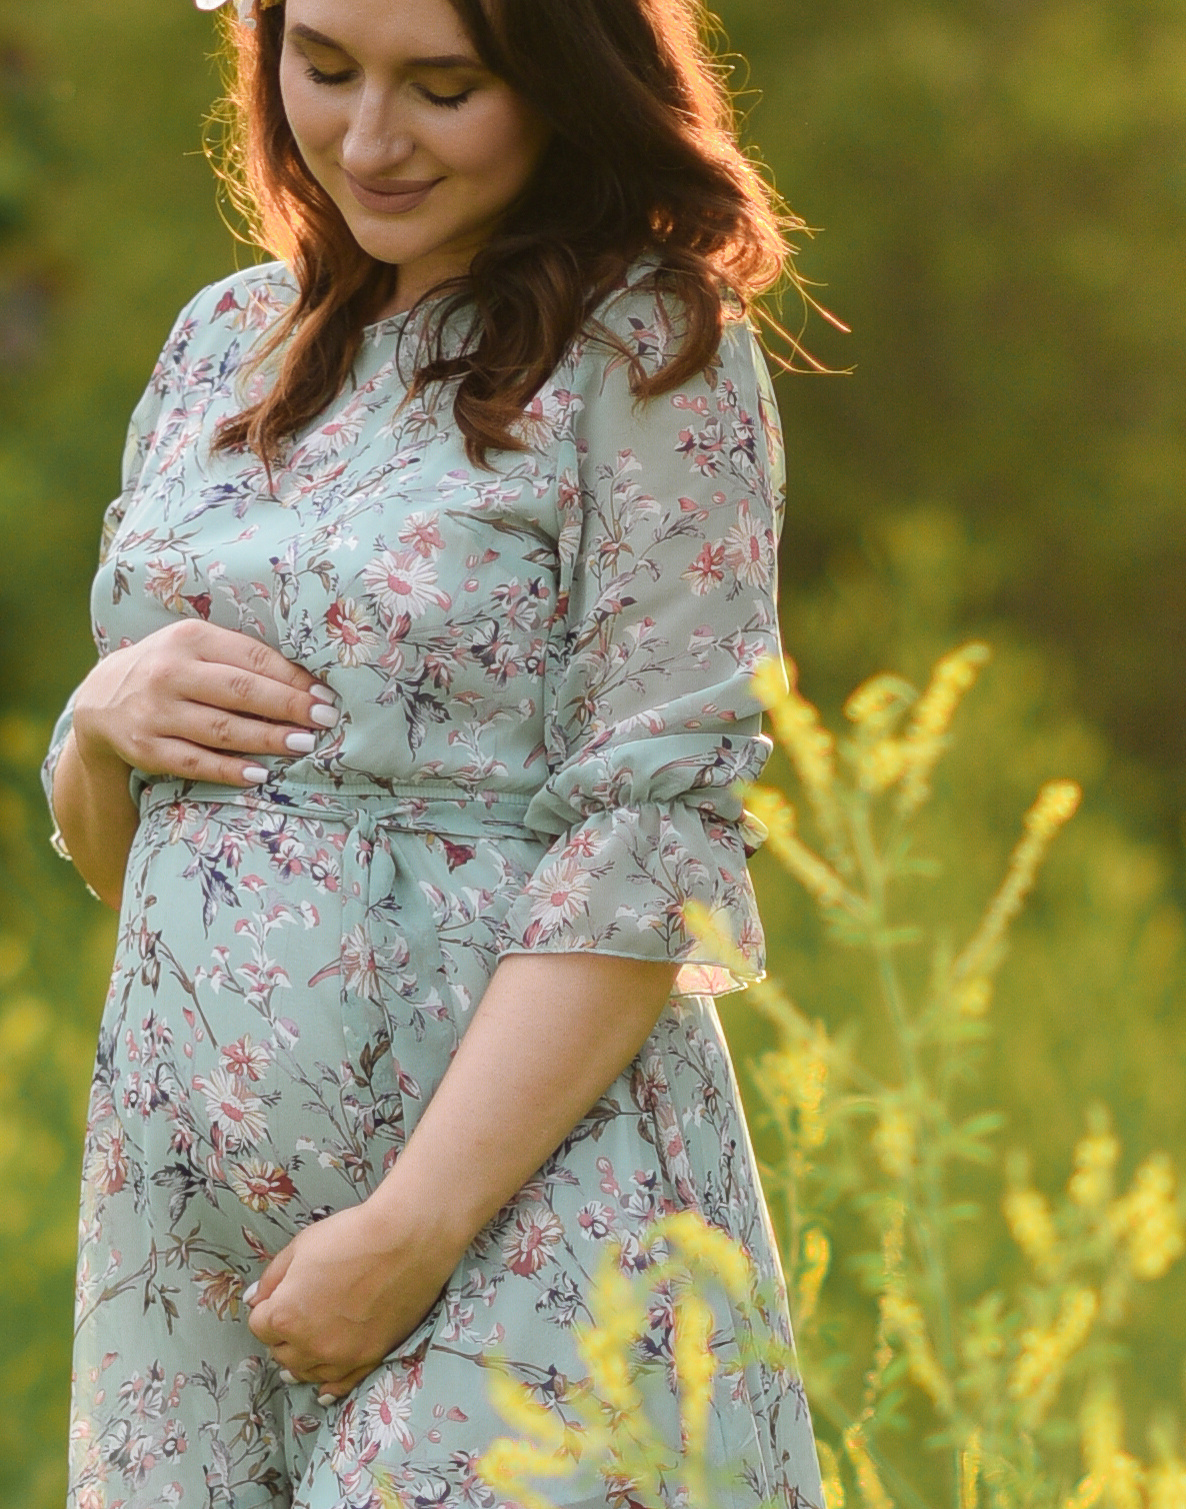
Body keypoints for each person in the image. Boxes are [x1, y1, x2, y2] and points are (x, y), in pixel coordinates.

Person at [42, 0, 823, 1503]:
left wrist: (413, 1228)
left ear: (558, 80)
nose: (369, 138)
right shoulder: (224, 341)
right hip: (182, 1241)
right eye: (324, 67)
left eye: (444, 87)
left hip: (513, 1220)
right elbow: (147, 855)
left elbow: (653, 845)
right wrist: (98, 723)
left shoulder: (649, 355)